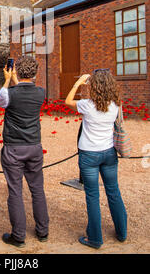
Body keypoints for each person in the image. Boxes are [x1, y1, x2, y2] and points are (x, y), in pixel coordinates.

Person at [65, 69, 127, 249]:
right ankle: (122, 232)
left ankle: (95, 238)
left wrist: (78, 83)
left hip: (89, 154)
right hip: (108, 152)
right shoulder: (116, 104)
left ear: (93, 86)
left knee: (92, 195)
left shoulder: (87, 105)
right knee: (113, 191)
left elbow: (68, 101)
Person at [0, 55, 49, 248]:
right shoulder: (41, 93)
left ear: (17, 71)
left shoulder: (9, 94)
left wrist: (8, 78)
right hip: (34, 145)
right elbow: (23, 91)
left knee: (15, 191)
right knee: (37, 190)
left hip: (14, 147)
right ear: (35, 73)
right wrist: (16, 80)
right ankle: (43, 231)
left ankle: (18, 236)